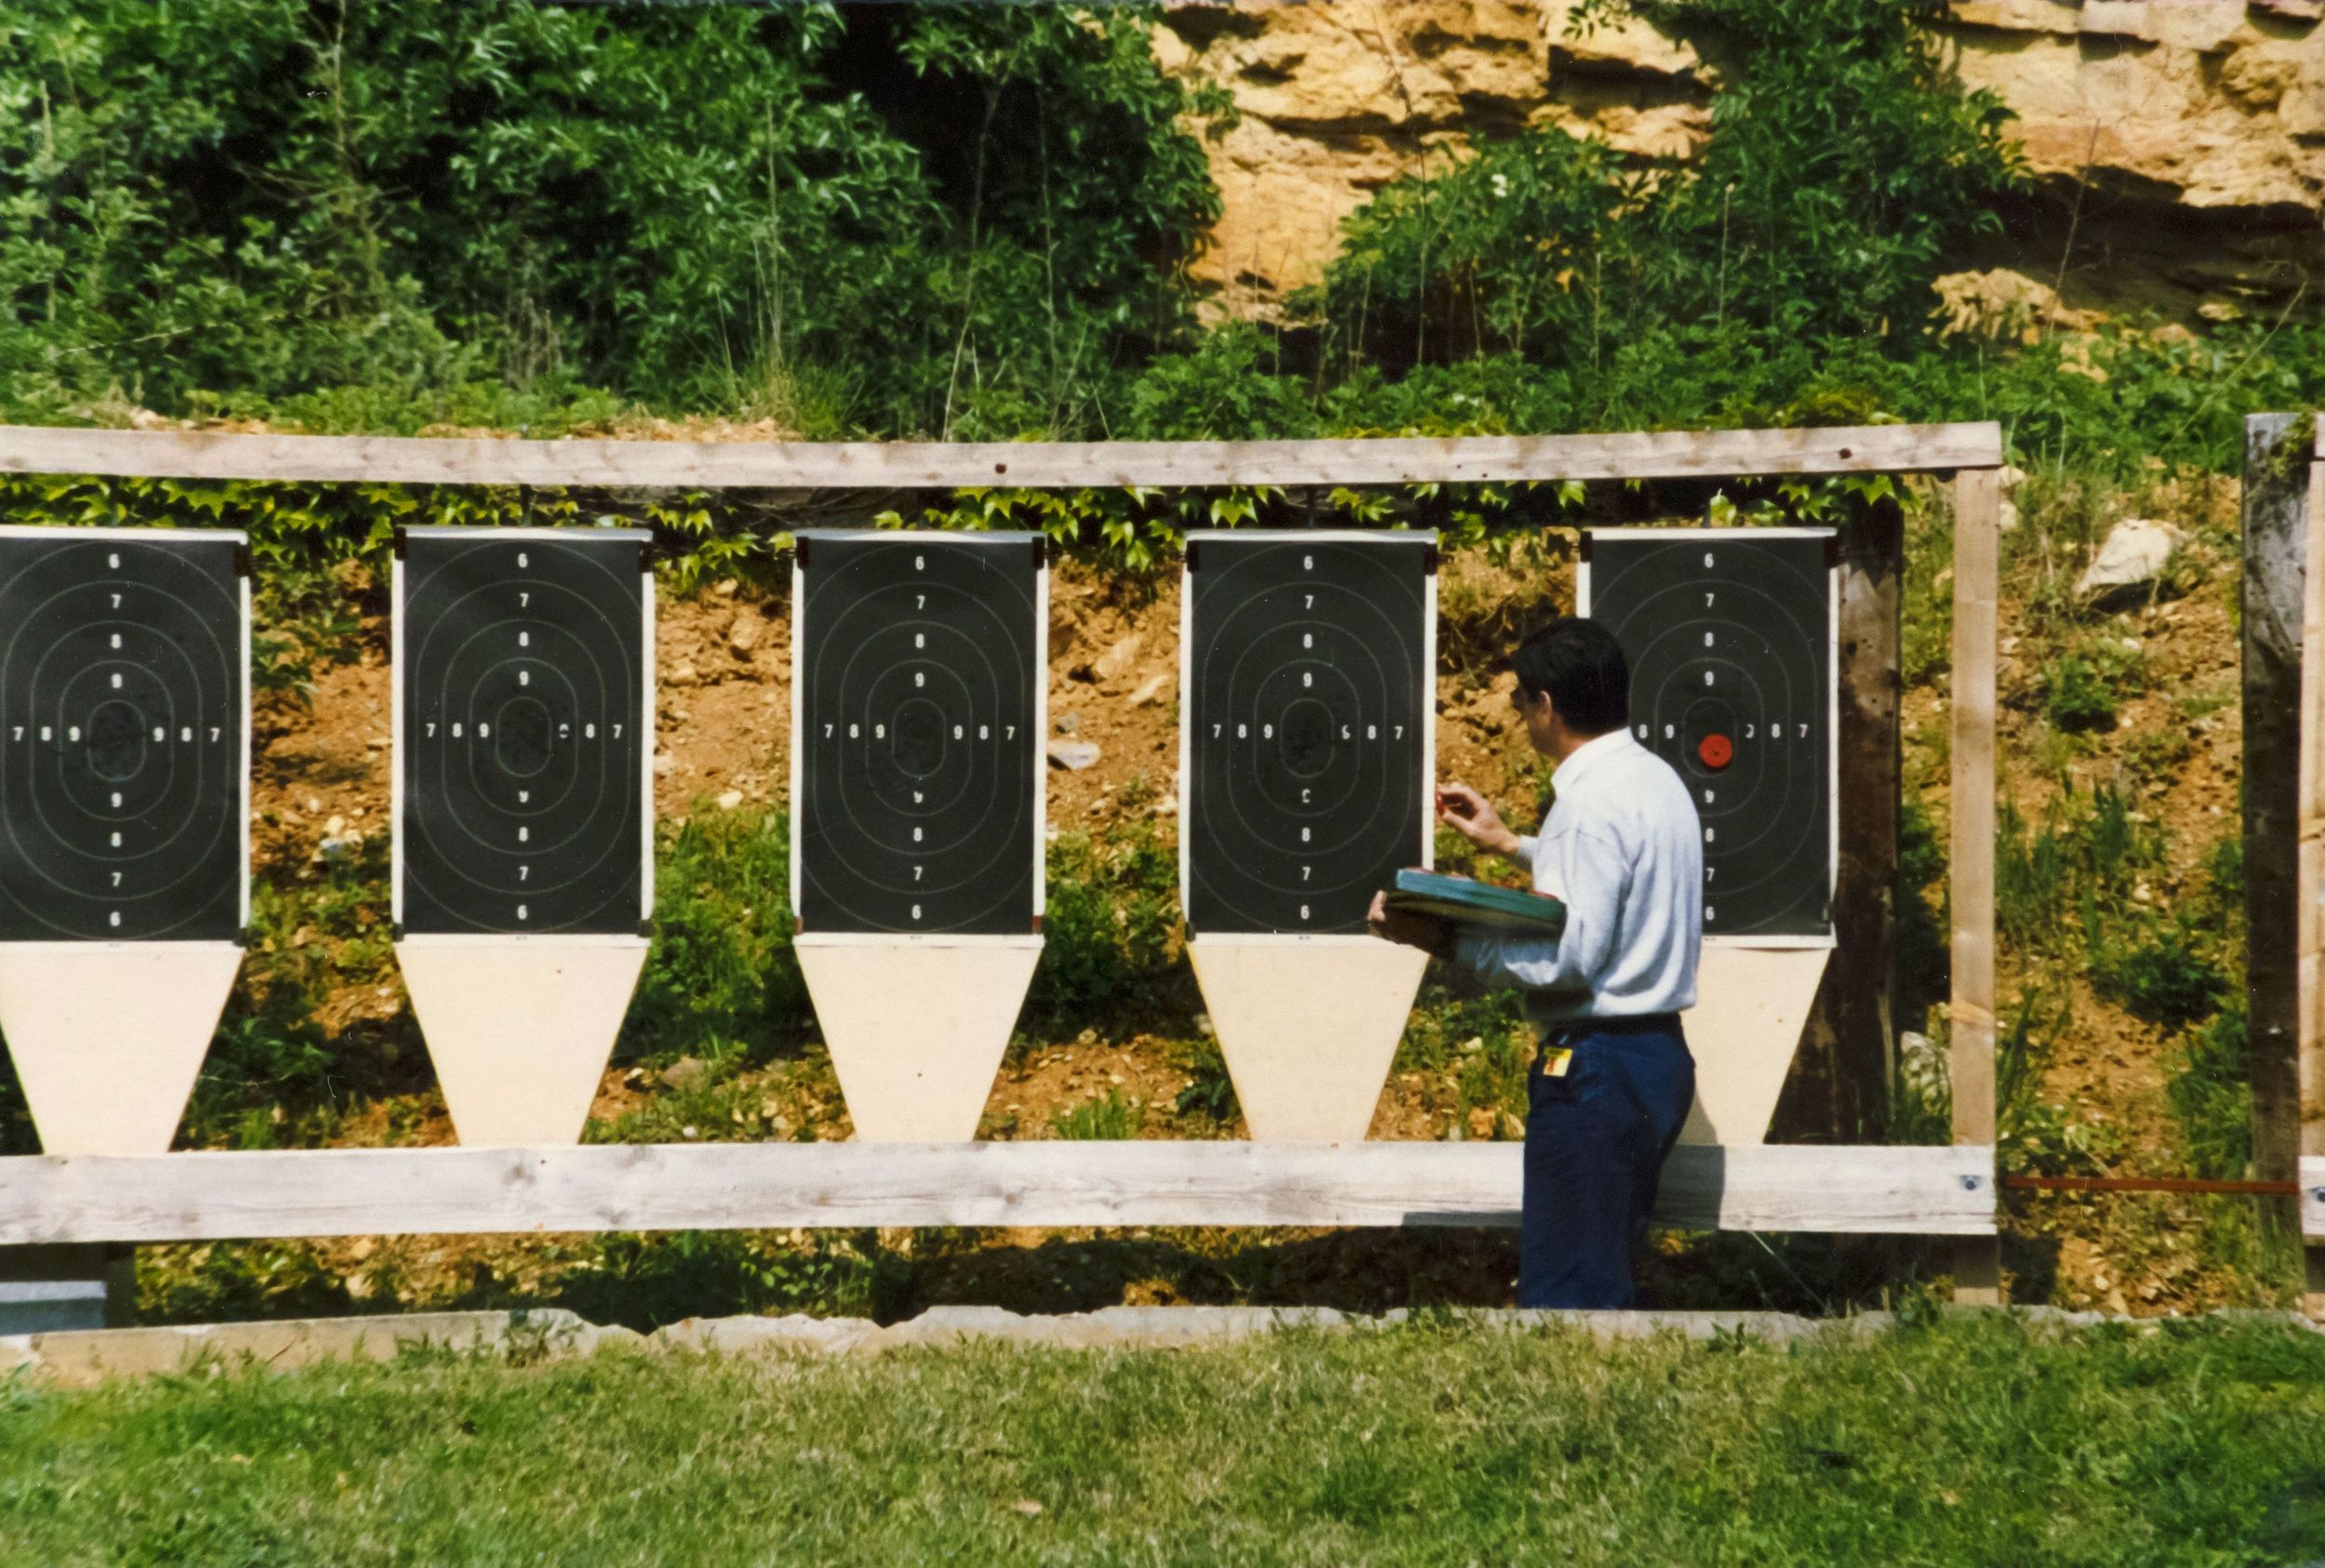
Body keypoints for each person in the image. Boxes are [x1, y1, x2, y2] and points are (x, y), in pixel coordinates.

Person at [1367, 617, 1703, 1309]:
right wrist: (1511, 845)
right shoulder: (1657, 781)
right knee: (1603, 1270)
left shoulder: (1585, 805)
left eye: (1522, 700)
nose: (1520, 715)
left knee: (1569, 1299)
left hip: (1596, 1067)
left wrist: (1443, 940)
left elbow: (1570, 960)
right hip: (1653, 1058)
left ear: (1547, 705)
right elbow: (1616, 881)